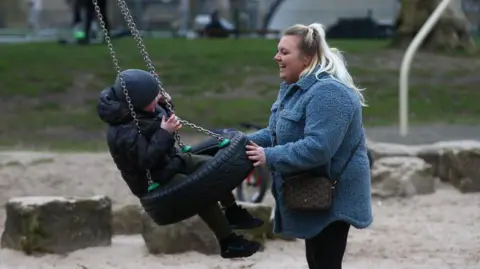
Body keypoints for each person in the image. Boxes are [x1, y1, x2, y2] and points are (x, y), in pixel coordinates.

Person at [97, 69, 263, 259]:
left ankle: (233, 211)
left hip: (169, 161)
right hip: (152, 179)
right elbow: (145, 160)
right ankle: (228, 242)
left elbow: (158, 119)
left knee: (212, 168)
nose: (156, 99)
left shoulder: (141, 107)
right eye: (153, 98)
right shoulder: (121, 132)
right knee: (201, 190)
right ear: (136, 102)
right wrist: (165, 133)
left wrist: (165, 106)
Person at [245, 23, 373, 269]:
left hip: (335, 195)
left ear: (307, 58)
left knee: (325, 262)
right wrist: (242, 141)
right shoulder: (294, 89)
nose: (277, 57)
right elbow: (274, 133)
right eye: (278, 51)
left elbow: (318, 148)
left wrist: (267, 156)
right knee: (316, 260)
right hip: (315, 190)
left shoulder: (329, 94)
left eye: (284, 52)